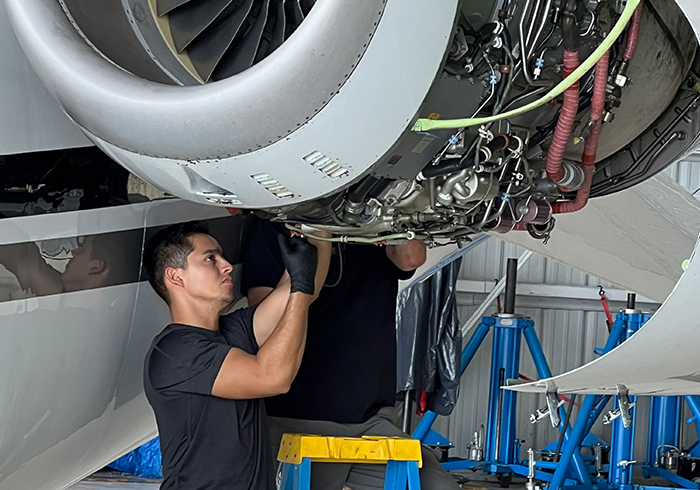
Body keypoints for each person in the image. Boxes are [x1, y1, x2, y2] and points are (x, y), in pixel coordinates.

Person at [242, 217, 460, 490]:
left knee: (440, 487)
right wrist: (307, 264)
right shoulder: (276, 222)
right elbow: (261, 322)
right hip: (297, 421)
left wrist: (397, 213)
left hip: (371, 422)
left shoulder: (375, 222)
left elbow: (411, 258)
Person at [142, 221, 331, 490]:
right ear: (175, 277)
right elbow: (272, 378)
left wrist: (318, 226)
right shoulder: (174, 351)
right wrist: (300, 286)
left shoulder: (234, 331)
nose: (227, 265)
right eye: (210, 258)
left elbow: (299, 295)